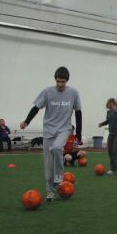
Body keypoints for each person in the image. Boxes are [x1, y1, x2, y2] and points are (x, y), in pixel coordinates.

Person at [20, 66, 82, 202]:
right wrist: (27, 121)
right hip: (49, 130)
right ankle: (50, 192)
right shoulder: (47, 92)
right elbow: (36, 108)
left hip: (64, 129)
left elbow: (78, 113)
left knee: (57, 147)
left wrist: (79, 134)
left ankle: (60, 176)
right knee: (48, 167)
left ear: (67, 81)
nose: (60, 84)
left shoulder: (73, 93)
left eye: (63, 82)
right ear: (55, 80)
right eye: (58, 81)